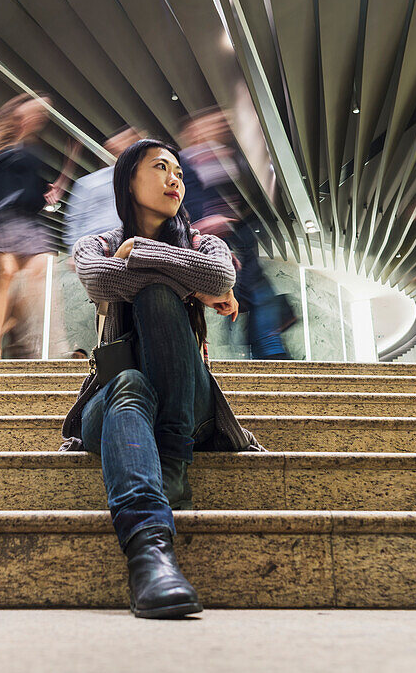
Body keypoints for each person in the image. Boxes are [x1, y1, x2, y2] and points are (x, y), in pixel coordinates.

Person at [61, 139, 264, 619]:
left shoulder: (205, 242)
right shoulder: (98, 244)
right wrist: (192, 286)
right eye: (159, 168)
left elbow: (220, 275)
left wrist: (146, 257)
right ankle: (151, 554)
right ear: (128, 180)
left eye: (178, 171)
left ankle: (168, 466)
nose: (176, 178)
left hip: (187, 401)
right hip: (110, 399)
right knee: (129, 383)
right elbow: (97, 279)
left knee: (153, 294)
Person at [0, 93, 80, 359]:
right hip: (5, 221)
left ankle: (38, 345)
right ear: (18, 116)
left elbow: (35, 192)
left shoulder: (33, 152)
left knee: (40, 277)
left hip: (31, 223)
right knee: (5, 275)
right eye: (35, 112)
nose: (39, 118)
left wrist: (48, 191)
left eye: (41, 114)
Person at [180, 110, 293, 359]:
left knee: (258, 293)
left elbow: (243, 196)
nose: (216, 128)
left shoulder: (224, 158)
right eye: (209, 124)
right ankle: (269, 351)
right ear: (193, 131)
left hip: (237, 238)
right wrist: (203, 222)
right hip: (204, 241)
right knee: (253, 293)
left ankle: (270, 351)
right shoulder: (183, 163)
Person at [62, 127, 141, 252]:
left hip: (128, 245)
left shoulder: (138, 183)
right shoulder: (89, 182)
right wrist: (74, 250)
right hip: (95, 246)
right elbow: (74, 219)